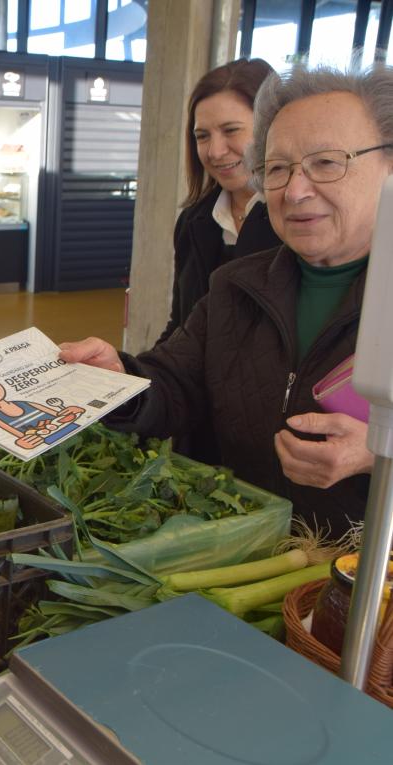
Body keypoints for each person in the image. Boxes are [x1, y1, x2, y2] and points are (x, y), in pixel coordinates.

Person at [59, 64, 393, 536]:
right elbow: (176, 383)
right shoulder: (236, 286)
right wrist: (121, 378)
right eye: (277, 169)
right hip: (246, 550)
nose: (295, 191)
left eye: (326, 162)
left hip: (363, 581)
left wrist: (378, 454)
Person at [159, 57, 282, 345]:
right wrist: (131, 373)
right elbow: (181, 327)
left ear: (272, 127)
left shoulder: (300, 222)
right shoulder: (193, 221)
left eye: (231, 130)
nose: (215, 151)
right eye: (202, 136)